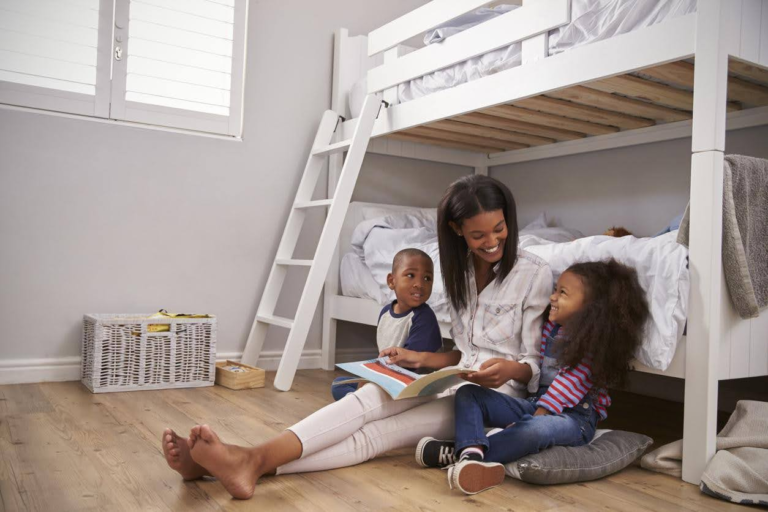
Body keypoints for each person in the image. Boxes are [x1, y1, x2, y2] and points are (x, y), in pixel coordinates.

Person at [161, 175, 552, 499]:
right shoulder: (459, 271)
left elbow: (532, 367)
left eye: (499, 229)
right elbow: (464, 352)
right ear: (457, 231)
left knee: (377, 434)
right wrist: (422, 361)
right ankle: (238, 462)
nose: (491, 242)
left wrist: (509, 370)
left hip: (490, 398)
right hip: (452, 378)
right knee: (368, 397)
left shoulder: (534, 273)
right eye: (477, 234)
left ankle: (246, 462)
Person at [417, 259, 650, 495]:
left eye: (562, 293)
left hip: (575, 419)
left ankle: (465, 454)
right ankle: (470, 455)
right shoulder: (552, 329)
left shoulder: (593, 345)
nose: (552, 297)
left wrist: (534, 418)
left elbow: (566, 383)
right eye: (555, 289)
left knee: (534, 431)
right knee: (468, 394)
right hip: (537, 404)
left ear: (588, 307)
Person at [331, 247, 443, 400]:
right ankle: (362, 402)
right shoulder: (385, 312)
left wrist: (372, 381)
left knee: (360, 391)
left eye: (427, 278)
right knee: (339, 384)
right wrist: (368, 379)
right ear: (392, 281)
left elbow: (407, 365)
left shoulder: (424, 318)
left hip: (410, 387)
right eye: (410, 275)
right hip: (389, 378)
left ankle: (361, 404)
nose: (419, 284)